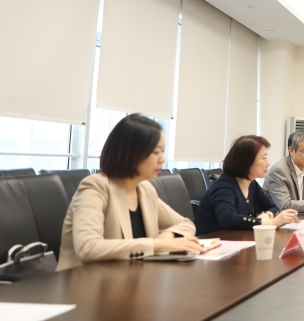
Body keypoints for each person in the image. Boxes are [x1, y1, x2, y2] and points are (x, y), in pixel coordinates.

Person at [57, 114, 204, 271]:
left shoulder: (145, 190)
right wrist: (156, 245)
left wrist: (167, 237)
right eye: (156, 152)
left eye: (163, 151)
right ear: (131, 153)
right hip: (85, 281)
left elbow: (184, 223)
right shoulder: (95, 187)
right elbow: (87, 248)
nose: (162, 159)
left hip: (132, 278)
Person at [195, 135, 299, 235]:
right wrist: (270, 223)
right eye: (264, 158)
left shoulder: (252, 184)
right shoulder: (224, 187)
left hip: (237, 240)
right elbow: (227, 219)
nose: (268, 163)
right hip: (211, 243)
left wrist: (268, 214)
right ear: (247, 161)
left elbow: (273, 207)